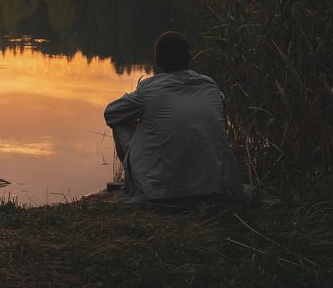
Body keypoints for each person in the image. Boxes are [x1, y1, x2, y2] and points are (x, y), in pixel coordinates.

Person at [104, 31, 244, 202]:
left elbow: (111, 114)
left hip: (160, 193)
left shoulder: (149, 89)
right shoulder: (210, 86)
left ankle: (134, 184)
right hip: (213, 189)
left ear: (157, 61)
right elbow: (221, 109)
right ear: (190, 57)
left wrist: (143, 122)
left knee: (120, 123)